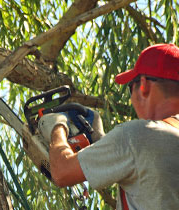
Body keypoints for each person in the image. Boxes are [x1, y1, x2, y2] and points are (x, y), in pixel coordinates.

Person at [38, 43, 179, 209]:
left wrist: (57, 128)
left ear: (143, 86)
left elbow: (62, 172)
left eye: (130, 88)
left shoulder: (137, 136)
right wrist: (101, 141)